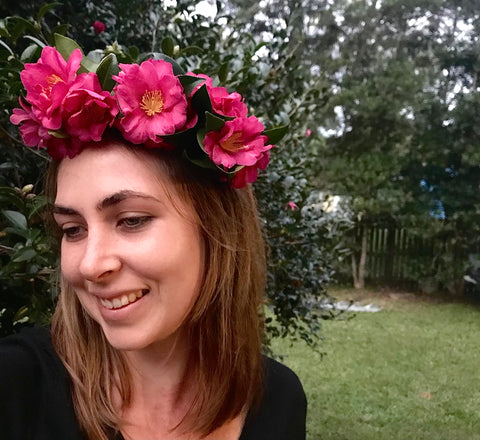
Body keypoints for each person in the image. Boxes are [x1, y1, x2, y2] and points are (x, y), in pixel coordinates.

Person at [1, 41, 307, 440]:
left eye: (131, 220)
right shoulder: (16, 386)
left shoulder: (278, 400)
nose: (90, 265)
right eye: (72, 229)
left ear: (217, 231)